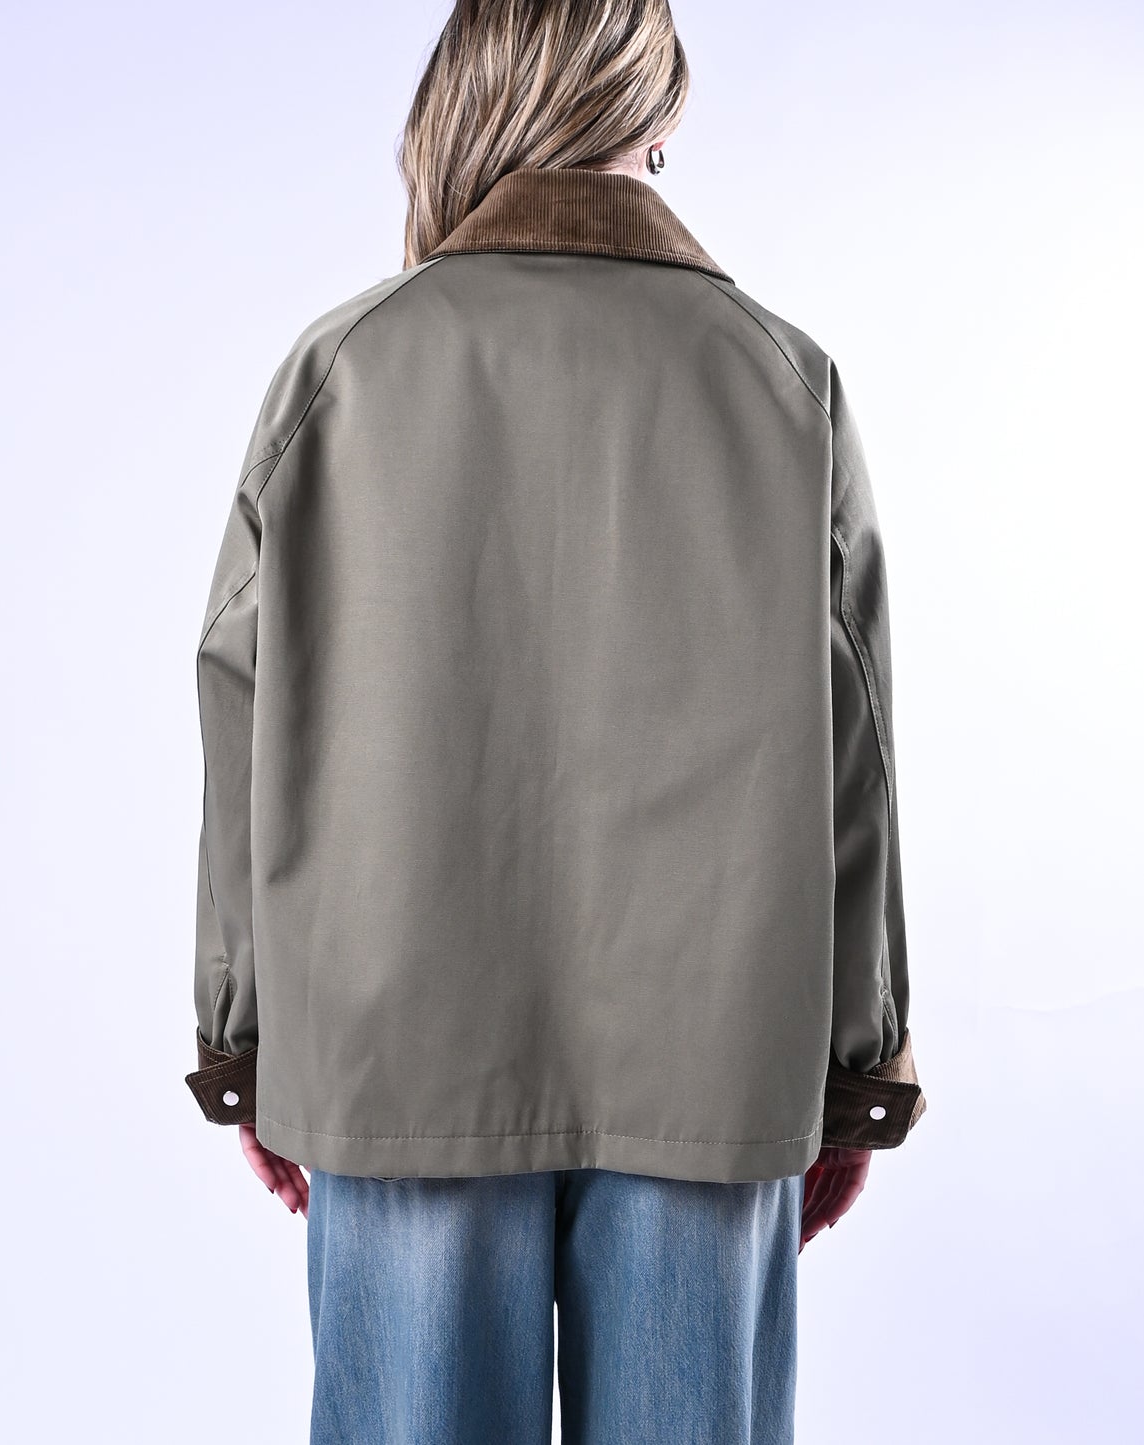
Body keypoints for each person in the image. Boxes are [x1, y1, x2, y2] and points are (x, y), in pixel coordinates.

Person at [183, 2, 926, 1440]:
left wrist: (248, 1038)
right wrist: (857, 1063)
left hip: (398, 1050)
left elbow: (238, 713)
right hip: (713, 1058)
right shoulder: (781, 379)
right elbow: (858, 749)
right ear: (649, 126)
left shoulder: (342, 371)